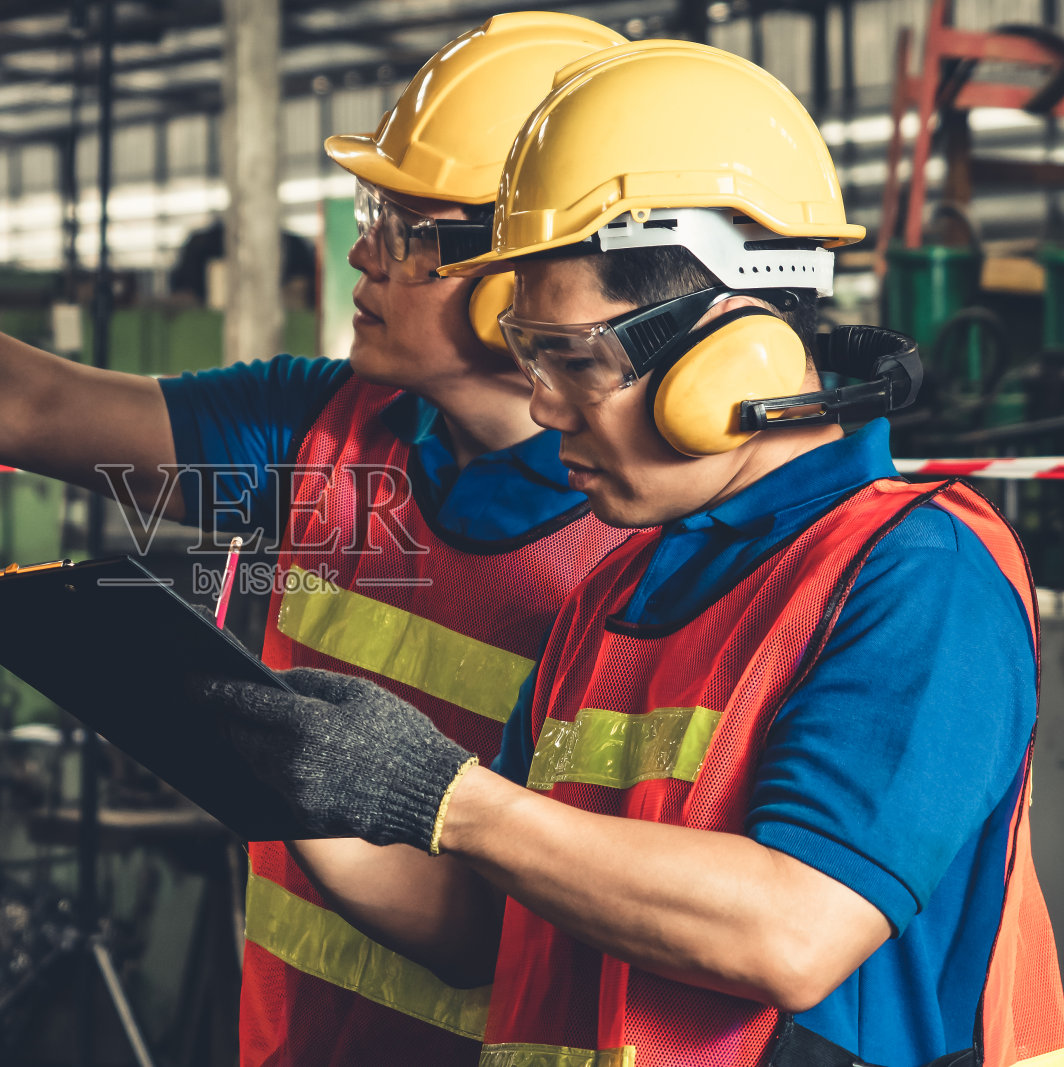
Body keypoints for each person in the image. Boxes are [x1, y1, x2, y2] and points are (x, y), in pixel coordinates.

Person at [0, 14, 634, 1064]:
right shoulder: (322, 433)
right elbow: (18, 400)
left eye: (409, 229)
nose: (361, 249)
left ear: (528, 276)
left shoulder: (651, 538)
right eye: (375, 212)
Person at [195, 40, 1064, 1067]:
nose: (542, 402)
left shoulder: (916, 571)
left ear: (730, 355)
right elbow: (482, 925)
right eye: (529, 355)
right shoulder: (613, 596)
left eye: (571, 359)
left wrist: (449, 796)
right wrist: (300, 782)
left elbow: (793, 929)